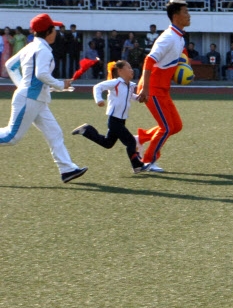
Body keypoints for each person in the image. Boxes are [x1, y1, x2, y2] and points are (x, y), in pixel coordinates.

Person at [1, 13, 88, 183]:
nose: (56, 32)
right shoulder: (43, 50)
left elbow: (10, 65)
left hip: (34, 99)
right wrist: (60, 85)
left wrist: (24, 86)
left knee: (55, 133)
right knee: (11, 137)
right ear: (48, 31)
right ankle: (67, 169)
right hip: (30, 99)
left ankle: (67, 170)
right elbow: (40, 74)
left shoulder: (32, 46)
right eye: (54, 29)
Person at [135, 1, 191, 172]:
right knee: (166, 127)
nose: (189, 15)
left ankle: (140, 139)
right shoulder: (168, 37)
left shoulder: (179, 37)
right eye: (185, 12)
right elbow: (149, 60)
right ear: (176, 16)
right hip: (152, 88)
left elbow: (172, 63)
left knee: (176, 126)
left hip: (163, 89)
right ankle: (146, 161)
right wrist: (145, 89)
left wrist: (185, 74)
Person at [71, 60, 147, 174]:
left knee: (108, 143)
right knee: (131, 142)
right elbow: (97, 87)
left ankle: (86, 130)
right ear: (120, 71)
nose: (132, 70)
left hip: (121, 120)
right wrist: (99, 100)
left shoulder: (130, 86)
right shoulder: (115, 83)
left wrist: (138, 98)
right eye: (129, 68)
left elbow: (130, 96)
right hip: (114, 120)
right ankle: (137, 165)